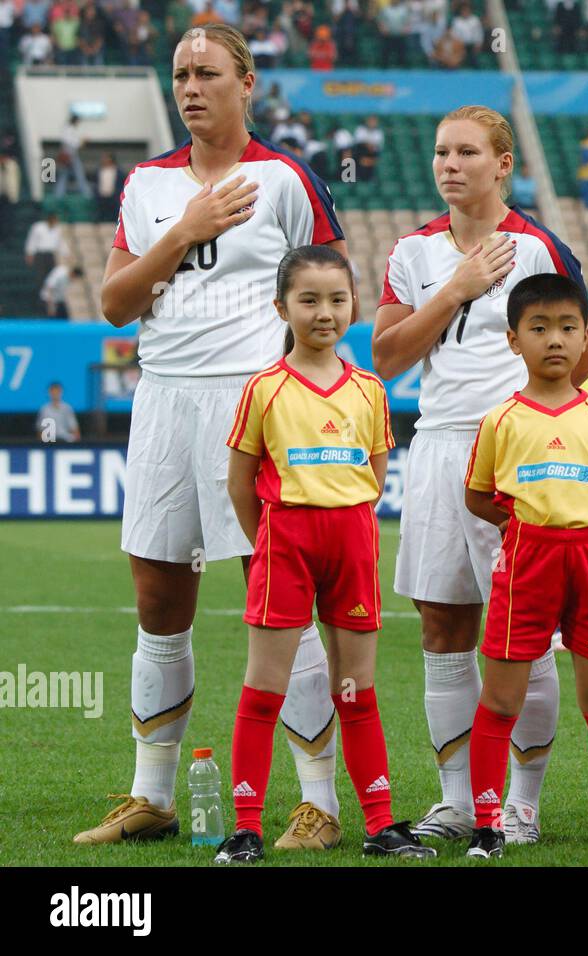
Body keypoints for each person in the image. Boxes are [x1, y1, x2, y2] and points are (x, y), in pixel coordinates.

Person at [80, 23, 348, 852]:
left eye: (207, 73)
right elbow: (117, 305)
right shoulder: (148, 185)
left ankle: (319, 803)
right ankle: (152, 794)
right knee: (160, 602)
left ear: (248, 83)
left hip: (256, 406)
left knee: (280, 603)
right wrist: (183, 230)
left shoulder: (284, 179)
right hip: (161, 401)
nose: (191, 87)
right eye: (180, 74)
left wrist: (305, 398)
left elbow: (335, 293)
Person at [372, 105, 588, 845]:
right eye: (441, 152)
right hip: (438, 446)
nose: (449, 164)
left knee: (523, 635)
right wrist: (456, 290)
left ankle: (523, 804)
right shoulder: (412, 252)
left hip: (521, 451)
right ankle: (460, 802)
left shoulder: (540, 249)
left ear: (503, 163)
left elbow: (585, 358)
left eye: (467, 152)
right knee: (443, 625)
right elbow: (387, 357)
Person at [218, 245, 433, 863]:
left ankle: (382, 826)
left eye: (337, 299)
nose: (324, 313)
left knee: (355, 689)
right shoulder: (264, 389)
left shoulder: (368, 389)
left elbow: (374, 469)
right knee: (265, 689)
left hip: (351, 548)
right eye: (308, 300)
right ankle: (247, 828)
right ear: (281, 307)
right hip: (284, 545)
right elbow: (241, 480)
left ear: (354, 306)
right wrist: (268, 542)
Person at [463, 273, 588, 859]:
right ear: (513, 339)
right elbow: (478, 495)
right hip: (526, 561)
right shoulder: (502, 420)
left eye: (569, 327)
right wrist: (526, 524)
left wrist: (582, 517)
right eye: (539, 328)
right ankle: (488, 823)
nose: (555, 340)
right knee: (500, 700)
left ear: (586, 334)